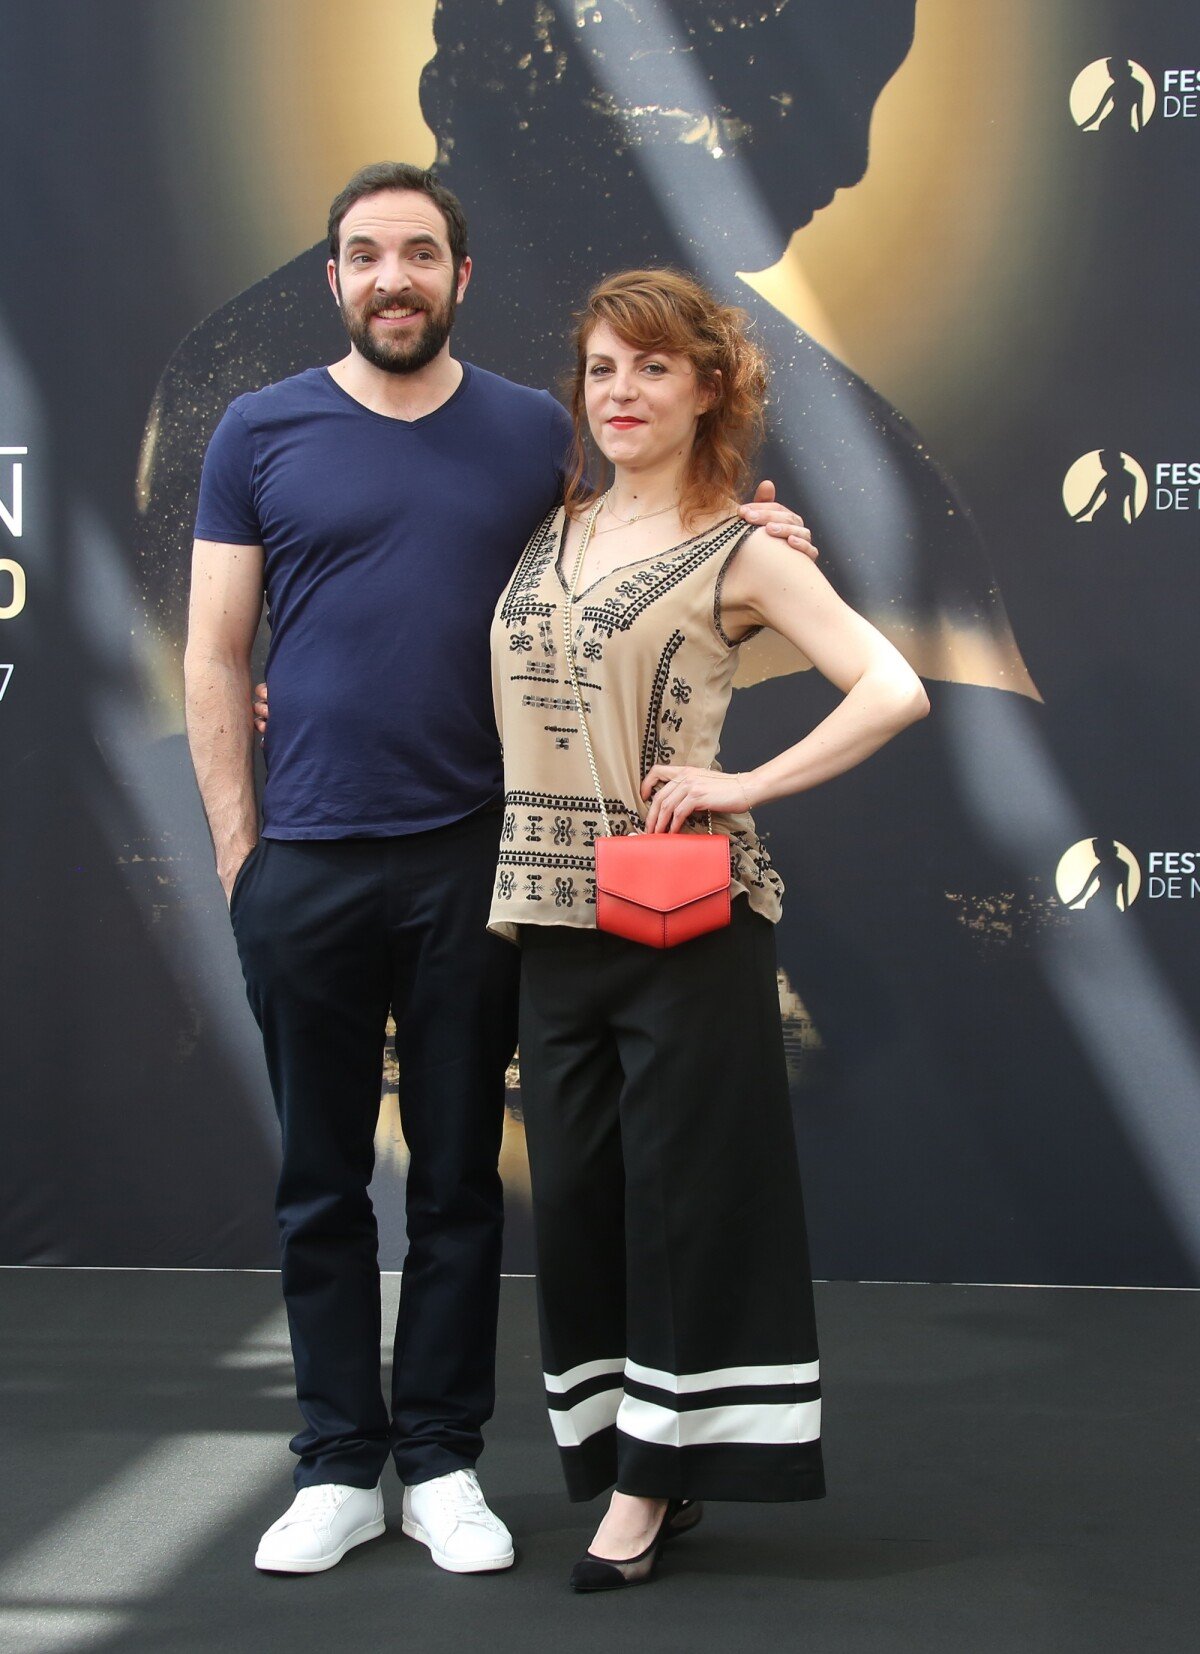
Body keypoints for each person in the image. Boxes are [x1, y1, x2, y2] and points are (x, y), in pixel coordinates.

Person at [184, 161, 815, 1578]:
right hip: (305, 860)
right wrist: (239, 851)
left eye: (419, 252)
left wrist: (752, 532)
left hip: (482, 860)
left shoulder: (537, 431)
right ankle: (341, 1461)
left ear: (460, 279)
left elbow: (636, 546)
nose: (391, 276)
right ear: (333, 278)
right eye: (364, 254)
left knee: (464, 1176)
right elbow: (216, 653)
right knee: (318, 1180)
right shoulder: (257, 429)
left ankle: (447, 1457)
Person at [488, 268, 929, 1590]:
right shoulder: (543, 529)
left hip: (684, 916)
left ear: (709, 388)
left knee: (678, 1206)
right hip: (548, 918)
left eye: (653, 369)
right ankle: (638, 1452)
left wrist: (742, 782)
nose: (621, 392)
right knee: (573, 1204)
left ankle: (646, 1485)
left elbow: (894, 685)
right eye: (602, 370)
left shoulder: (742, 548)